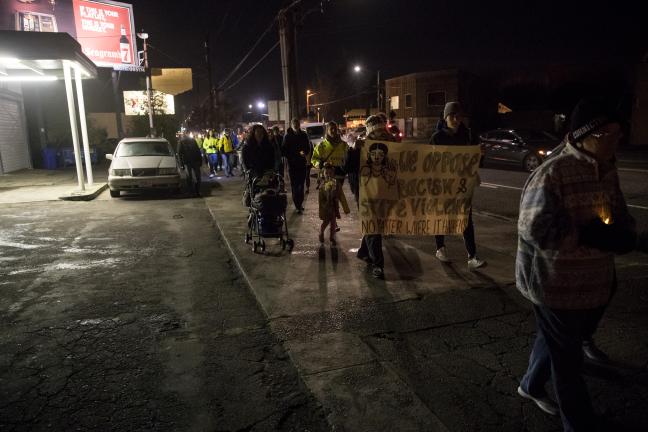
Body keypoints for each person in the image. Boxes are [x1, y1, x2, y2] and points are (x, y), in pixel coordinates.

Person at [516, 97, 635, 431]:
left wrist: (626, 234)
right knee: (567, 363)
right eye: (612, 132)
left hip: (594, 284)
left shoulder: (607, 168)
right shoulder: (551, 173)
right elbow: (534, 228)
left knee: (556, 340)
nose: (619, 138)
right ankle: (578, 423)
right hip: (555, 286)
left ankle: (530, 384)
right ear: (590, 135)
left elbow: (620, 212)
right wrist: (587, 234)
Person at [430, 101, 486, 270]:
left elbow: (477, 163)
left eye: (458, 115)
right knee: (441, 216)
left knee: (466, 219)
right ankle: (440, 248)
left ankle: (472, 256)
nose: (455, 118)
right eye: (452, 115)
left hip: (462, 185)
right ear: (445, 117)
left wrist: (480, 154)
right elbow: (428, 163)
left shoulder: (468, 136)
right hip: (443, 185)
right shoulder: (437, 138)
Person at [347, 114, 397, 279]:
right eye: (375, 133)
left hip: (383, 193)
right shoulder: (361, 146)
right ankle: (378, 264)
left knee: (375, 227)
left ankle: (363, 251)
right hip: (365, 193)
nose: (379, 136)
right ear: (369, 133)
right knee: (373, 227)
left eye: (382, 132)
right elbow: (347, 167)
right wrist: (354, 149)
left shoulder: (393, 145)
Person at [312, 121, 349, 217]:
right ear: (327, 130)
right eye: (331, 129)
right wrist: (321, 164)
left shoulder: (344, 145)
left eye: (335, 129)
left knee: (336, 196)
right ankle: (333, 218)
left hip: (340, 174)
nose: (333, 131)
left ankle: (333, 216)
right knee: (329, 196)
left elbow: (348, 159)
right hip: (327, 174)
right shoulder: (321, 146)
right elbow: (314, 159)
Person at [282, 118, 311, 214]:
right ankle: (297, 204)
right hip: (292, 164)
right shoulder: (287, 136)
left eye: (297, 123)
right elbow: (284, 150)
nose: (296, 125)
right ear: (291, 125)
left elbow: (307, 147)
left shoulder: (304, 135)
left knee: (301, 185)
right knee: (294, 185)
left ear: (299, 125)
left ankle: (300, 203)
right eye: (294, 123)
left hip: (302, 163)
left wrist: (303, 153)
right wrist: (291, 156)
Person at [318, 163, 339, 245]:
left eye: (330, 173)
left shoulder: (333, 182)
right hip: (325, 205)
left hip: (332, 204)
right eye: (326, 173)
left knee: (333, 221)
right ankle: (321, 232)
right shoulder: (324, 184)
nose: (328, 175)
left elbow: (335, 193)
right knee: (326, 221)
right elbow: (326, 196)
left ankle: (331, 236)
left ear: (333, 173)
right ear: (323, 173)